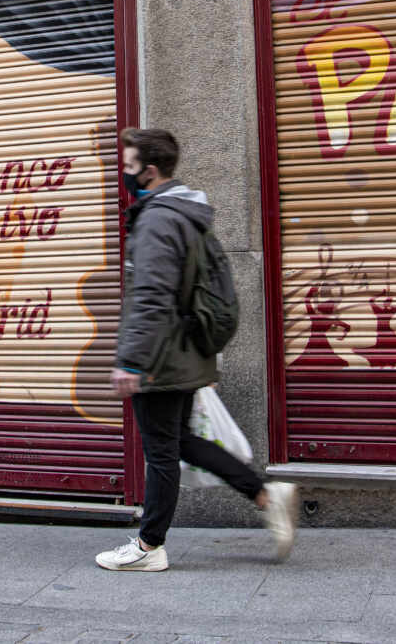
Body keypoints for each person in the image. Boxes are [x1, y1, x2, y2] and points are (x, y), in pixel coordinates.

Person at [96, 127, 299, 573]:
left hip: (161, 355)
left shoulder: (157, 218)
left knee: (162, 453)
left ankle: (149, 547)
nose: (123, 174)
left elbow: (150, 295)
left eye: (128, 167)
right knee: (181, 441)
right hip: (187, 349)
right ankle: (264, 493)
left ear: (149, 171)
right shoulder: (188, 212)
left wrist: (130, 359)